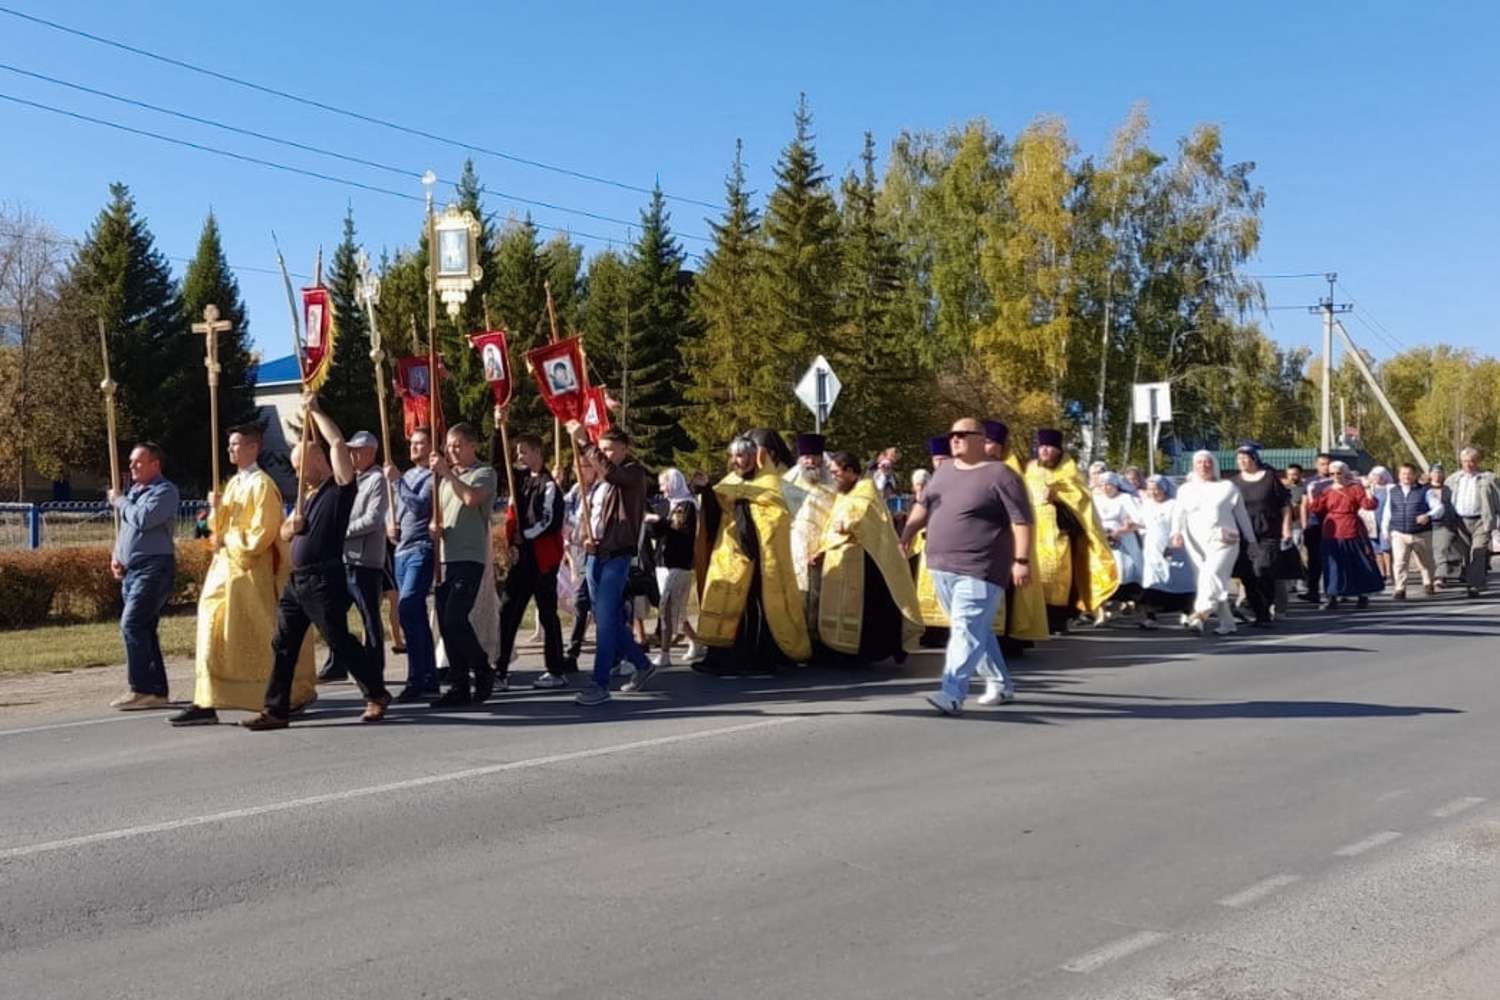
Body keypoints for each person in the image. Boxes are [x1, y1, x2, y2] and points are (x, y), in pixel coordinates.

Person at [242, 394, 391, 730]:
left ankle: (376, 692)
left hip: (324, 578)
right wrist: (288, 527)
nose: (297, 474)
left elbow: (337, 442)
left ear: (315, 460)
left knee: (339, 640)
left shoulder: (340, 488)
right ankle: (276, 709)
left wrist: (316, 411)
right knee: (283, 643)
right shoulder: (305, 497)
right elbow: (283, 534)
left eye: (299, 467)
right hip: (298, 581)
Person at [170, 425, 314, 726]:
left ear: (253, 447)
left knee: (257, 636)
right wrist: (216, 511)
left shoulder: (263, 485)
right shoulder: (234, 483)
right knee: (211, 629)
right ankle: (206, 699)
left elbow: (262, 534)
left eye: (236, 444)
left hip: (250, 573)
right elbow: (216, 531)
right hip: (223, 571)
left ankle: (280, 694)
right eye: (229, 445)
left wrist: (229, 537)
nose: (230, 450)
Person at [900, 418, 1032, 715]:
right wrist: (906, 535)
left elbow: (1021, 521)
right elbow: (925, 505)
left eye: (962, 434)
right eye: (952, 435)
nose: (955, 439)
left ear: (980, 439)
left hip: (981, 566)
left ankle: (952, 692)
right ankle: (1000, 683)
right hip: (940, 564)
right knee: (976, 629)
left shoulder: (1001, 475)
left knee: (966, 628)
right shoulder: (945, 470)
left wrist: (1022, 561)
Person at [695, 429, 812, 677]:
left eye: (742, 456)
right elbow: (715, 512)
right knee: (723, 605)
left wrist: (742, 504)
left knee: (751, 611)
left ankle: (752, 659)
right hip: (728, 557)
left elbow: (775, 521)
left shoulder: (771, 485)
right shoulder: (729, 483)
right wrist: (707, 491)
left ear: (754, 458)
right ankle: (719, 657)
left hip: (757, 564)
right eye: (733, 456)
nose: (737, 461)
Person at [565, 422, 655, 704]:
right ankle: (641, 664)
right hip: (595, 555)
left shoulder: (632, 473)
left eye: (608, 449)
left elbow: (613, 474)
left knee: (604, 620)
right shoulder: (601, 484)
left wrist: (586, 444)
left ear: (624, 449)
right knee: (609, 618)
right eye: (601, 448)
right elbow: (590, 519)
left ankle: (599, 683)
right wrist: (584, 540)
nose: (603, 454)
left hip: (618, 555)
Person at [812, 451, 923, 664]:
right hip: (841, 558)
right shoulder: (843, 494)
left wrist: (847, 524)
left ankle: (866, 651)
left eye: (836, 472)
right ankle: (841, 649)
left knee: (869, 607)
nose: (833, 477)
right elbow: (830, 526)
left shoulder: (866, 489)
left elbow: (862, 516)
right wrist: (822, 549)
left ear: (851, 472)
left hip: (866, 560)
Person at [429, 423, 500, 706]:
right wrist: (435, 527)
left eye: (458, 445)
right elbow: (441, 515)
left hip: (469, 557)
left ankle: (482, 668)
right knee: (446, 624)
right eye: (449, 445)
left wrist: (447, 473)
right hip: (447, 555)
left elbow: (471, 499)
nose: (452, 451)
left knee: (456, 617)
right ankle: (459, 683)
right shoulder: (446, 481)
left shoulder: (483, 473)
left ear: (472, 446)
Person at [107, 442, 180, 711]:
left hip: (154, 568)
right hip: (132, 570)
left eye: (138, 462)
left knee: (132, 624)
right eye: (130, 462)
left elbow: (143, 519)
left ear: (155, 465)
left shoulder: (165, 491)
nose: (132, 466)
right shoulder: (135, 493)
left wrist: (119, 500)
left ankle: (141, 688)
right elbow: (127, 531)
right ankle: (156, 690)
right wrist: (117, 556)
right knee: (145, 629)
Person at [1024, 429, 1119, 633]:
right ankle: (1037, 620)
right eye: (1041, 447)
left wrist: (1058, 497)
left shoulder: (1069, 472)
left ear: (1058, 450)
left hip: (1060, 535)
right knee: (1037, 577)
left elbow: (1081, 501)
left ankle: (1059, 620)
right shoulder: (1030, 470)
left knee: (1060, 578)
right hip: (1034, 535)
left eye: (1049, 447)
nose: (1045, 450)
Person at [493, 428, 567, 687]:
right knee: (508, 609)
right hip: (522, 557)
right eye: (517, 452)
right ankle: (500, 669)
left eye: (524, 451)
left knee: (547, 613)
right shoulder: (520, 481)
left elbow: (550, 521)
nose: (519, 456)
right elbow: (498, 463)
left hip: (543, 558)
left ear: (537, 452)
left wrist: (527, 534)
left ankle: (556, 669)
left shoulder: (549, 486)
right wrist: (497, 427)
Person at [317, 430, 388, 683]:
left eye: (357, 450)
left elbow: (373, 518)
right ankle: (337, 661)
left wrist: (342, 532)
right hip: (343, 559)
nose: (352, 454)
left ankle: (375, 666)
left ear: (370, 452)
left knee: (369, 616)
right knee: (332, 614)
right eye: (350, 450)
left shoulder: (377, 480)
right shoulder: (350, 479)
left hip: (365, 561)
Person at [980, 419, 1049, 649]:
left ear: (1000, 446)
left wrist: (1021, 558)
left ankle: (1006, 640)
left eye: (989, 442)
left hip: (1006, 542)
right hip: (980, 543)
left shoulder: (1010, 474)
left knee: (1006, 591)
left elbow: (1020, 516)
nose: (984, 447)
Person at [1171, 450, 1256, 635]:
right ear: (1194, 466)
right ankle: (1227, 624)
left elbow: (1241, 515)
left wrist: (1251, 540)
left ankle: (1200, 614)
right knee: (1210, 579)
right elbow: (1178, 513)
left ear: (1214, 465)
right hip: (1196, 543)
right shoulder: (1185, 490)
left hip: (1224, 540)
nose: (1204, 466)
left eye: (1207, 462)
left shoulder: (1227, 487)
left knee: (1211, 574)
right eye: (1199, 462)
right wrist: (1175, 533)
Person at [386, 427, 438, 702]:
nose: (415, 447)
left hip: (421, 547)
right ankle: (427, 675)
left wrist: (397, 483)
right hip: (401, 550)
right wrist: (390, 526)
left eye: (421, 443)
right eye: (413, 443)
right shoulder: (406, 475)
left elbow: (420, 507)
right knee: (412, 616)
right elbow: (396, 508)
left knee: (408, 606)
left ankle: (418, 677)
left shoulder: (433, 477)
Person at [1228, 443, 1296, 627]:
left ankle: (1269, 606)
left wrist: (1286, 529)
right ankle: (1261, 614)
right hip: (1243, 534)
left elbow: (1285, 505)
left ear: (1254, 458)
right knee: (1248, 575)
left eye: (1245, 457)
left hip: (1268, 532)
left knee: (1262, 569)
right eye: (1239, 458)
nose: (1242, 461)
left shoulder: (1269, 478)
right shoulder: (1233, 483)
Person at [1306, 461, 1382, 609]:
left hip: (1351, 527)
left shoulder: (1354, 488)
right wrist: (1310, 492)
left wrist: (1368, 489)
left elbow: (1369, 505)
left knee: (1358, 561)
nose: (1335, 476)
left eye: (1338, 473)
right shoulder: (1327, 490)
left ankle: (1363, 594)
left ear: (1345, 473)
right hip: (1332, 530)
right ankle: (1332, 596)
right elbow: (1316, 507)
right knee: (1333, 565)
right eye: (1332, 473)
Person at [649, 468, 705, 668]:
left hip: (679, 563)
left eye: (664, 484)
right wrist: (654, 523)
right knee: (677, 611)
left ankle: (665, 654)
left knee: (665, 607)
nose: (661, 489)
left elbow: (679, 530)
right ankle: (696, 641)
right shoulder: (665, 505)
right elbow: (656, 533)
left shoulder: (687, 505)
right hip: (662, 562)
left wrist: (659, 522)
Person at [782, 432, 836, 608]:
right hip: (797, 547)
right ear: (800, 458)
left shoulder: (835, 481)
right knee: (800, 594)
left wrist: (824, 547)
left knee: (826, 596)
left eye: (815, 457)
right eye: (806, 457)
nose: (811, 462)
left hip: (827, 544)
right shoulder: (788, 481)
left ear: (822, 458)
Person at [1137, 475, 1195, 628]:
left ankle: (1187, 614)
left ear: (1165, 489)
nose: (1153, 492)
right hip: (1152, 549)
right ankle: (1151, 617)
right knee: (1152, 582)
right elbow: (1141, 523)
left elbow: (1181, 524)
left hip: (1173, 547)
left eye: (1157, 489)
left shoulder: (1174, 505)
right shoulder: (1146, 505)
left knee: (1179, 581)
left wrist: (1175, 542)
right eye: (1150, 489)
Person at [1444, 447, 1498, 597]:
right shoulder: (1453, 479)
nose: (1469, 464)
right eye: (1465, 461)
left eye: (1472, 461)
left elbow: (1498, 499)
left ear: (1478, 462)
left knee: (1478, 551)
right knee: (1466, 553)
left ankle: (1475, 585)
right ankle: (1472, 580)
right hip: (1460, 520)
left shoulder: (1489, 479)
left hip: (1481, 519)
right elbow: (1445, 500)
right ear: (1461, 462)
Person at [1383, 462, 1440, 599]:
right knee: (1400, 561)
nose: (1406, 477)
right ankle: (1400, 588)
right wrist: (1385, 530)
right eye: (1403, 474)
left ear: (1415, 475)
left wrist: (1428, 515)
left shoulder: (1425, 491)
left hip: (1421, 533)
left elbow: (1438, 507)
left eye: (1409, 474)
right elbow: (1387, 511)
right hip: (1399, 532)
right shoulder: (1393, 491)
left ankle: (1428, 583)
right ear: (1399, 475)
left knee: (1425, 561)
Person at [1094, 472, 1144, 607]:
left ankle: (1129, 599)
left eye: (1108, 484)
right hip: (1102, 538)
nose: (1105, 488)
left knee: (1124, 569)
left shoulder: (1125, 498)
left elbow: (1138, 519)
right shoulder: (1096, 499)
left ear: (1116, 485)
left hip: (1123, 538)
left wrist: (1122, 530)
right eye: (1102, 485)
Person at [1298, 452, 1334, 602]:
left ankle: (1334, 590)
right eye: (1322, 464)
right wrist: (1304, 525)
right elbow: (1304, 504)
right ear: (1316, 465)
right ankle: (1313, 591)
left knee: (1333, 559)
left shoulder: (1337, 480)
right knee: (1314, 560)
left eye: (1328, 464)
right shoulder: (1310, 482)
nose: (1325, 467)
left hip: (1334, 525)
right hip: (1314, 525)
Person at [1427, 464, 1461, 586]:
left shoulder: (1449, 490)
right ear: (1430, 474)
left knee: (1441, 549)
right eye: (1434, 472)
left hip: (1445, 523)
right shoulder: (1424, 490)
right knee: (1431, 551)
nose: (1437, 475)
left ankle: (1439, 576)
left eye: (1439, 472)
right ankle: (1436, 574)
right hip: (1428, 524)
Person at [1364, 466, 1394, 583]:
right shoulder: (1369, 489)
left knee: (1386, 548)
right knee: (1377, 550)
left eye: (1380, 476)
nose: (1377, 478)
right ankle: (1382, 573)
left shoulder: (1390, 489)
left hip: (1385, 522)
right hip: (1372, 523)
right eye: (1375, 476)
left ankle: (1389, 573)